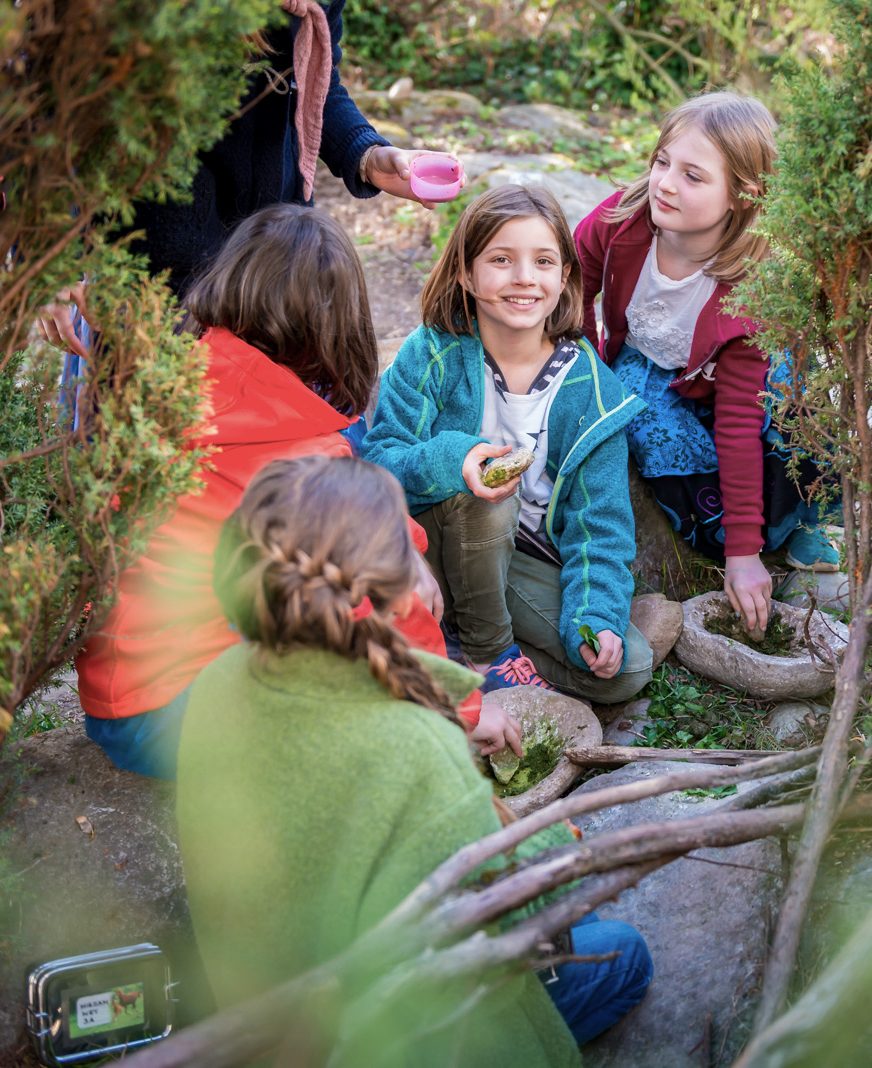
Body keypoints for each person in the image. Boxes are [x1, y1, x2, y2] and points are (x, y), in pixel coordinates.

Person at [179, 454, 651, 1059]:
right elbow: (503, 913)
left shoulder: (218, 682)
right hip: (386, 1034)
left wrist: (456, 699)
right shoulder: (411, 746)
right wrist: (554, 843)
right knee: (621, 951)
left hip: (270, 1003)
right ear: (394, 584)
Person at [75, 204, 518, 778]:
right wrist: (460, 706)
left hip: (115, 690)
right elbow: (376, 607)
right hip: (179, 714)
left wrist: (403, 542)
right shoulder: (307, 455)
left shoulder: (175, 372)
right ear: (338, 326)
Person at [35, 0, 462, 353]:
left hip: (272, 259)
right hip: (157, 260)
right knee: (159, 431)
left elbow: (317, 81)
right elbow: (56, 112)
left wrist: (368, 155)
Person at [362, 185, 653, 703]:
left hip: (517, 562)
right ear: (465, 273)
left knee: (625, 670)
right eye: (501, 259)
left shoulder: (591, 389)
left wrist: (596, 616)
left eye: (543, 261)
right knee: (488, 499)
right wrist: (456, 460)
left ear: (564, 277)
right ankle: (488, 652)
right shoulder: (431, 352)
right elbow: (380, 459)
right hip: (425, 546)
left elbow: (601, 524)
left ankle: (452, 648)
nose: (523, 278)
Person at [573, 92, 839, 642]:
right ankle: (719, 530)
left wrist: (745, 555)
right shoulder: (621, 222)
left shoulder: (750, 289)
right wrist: (586, 369)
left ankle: (793, 526)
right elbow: (573, 288)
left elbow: (738, 419)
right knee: (645, 427)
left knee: (791, 404)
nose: (665, 183)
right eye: (662, 161)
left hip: (734, 379)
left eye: (693, 176)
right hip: (651, 363)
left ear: (744, 195)